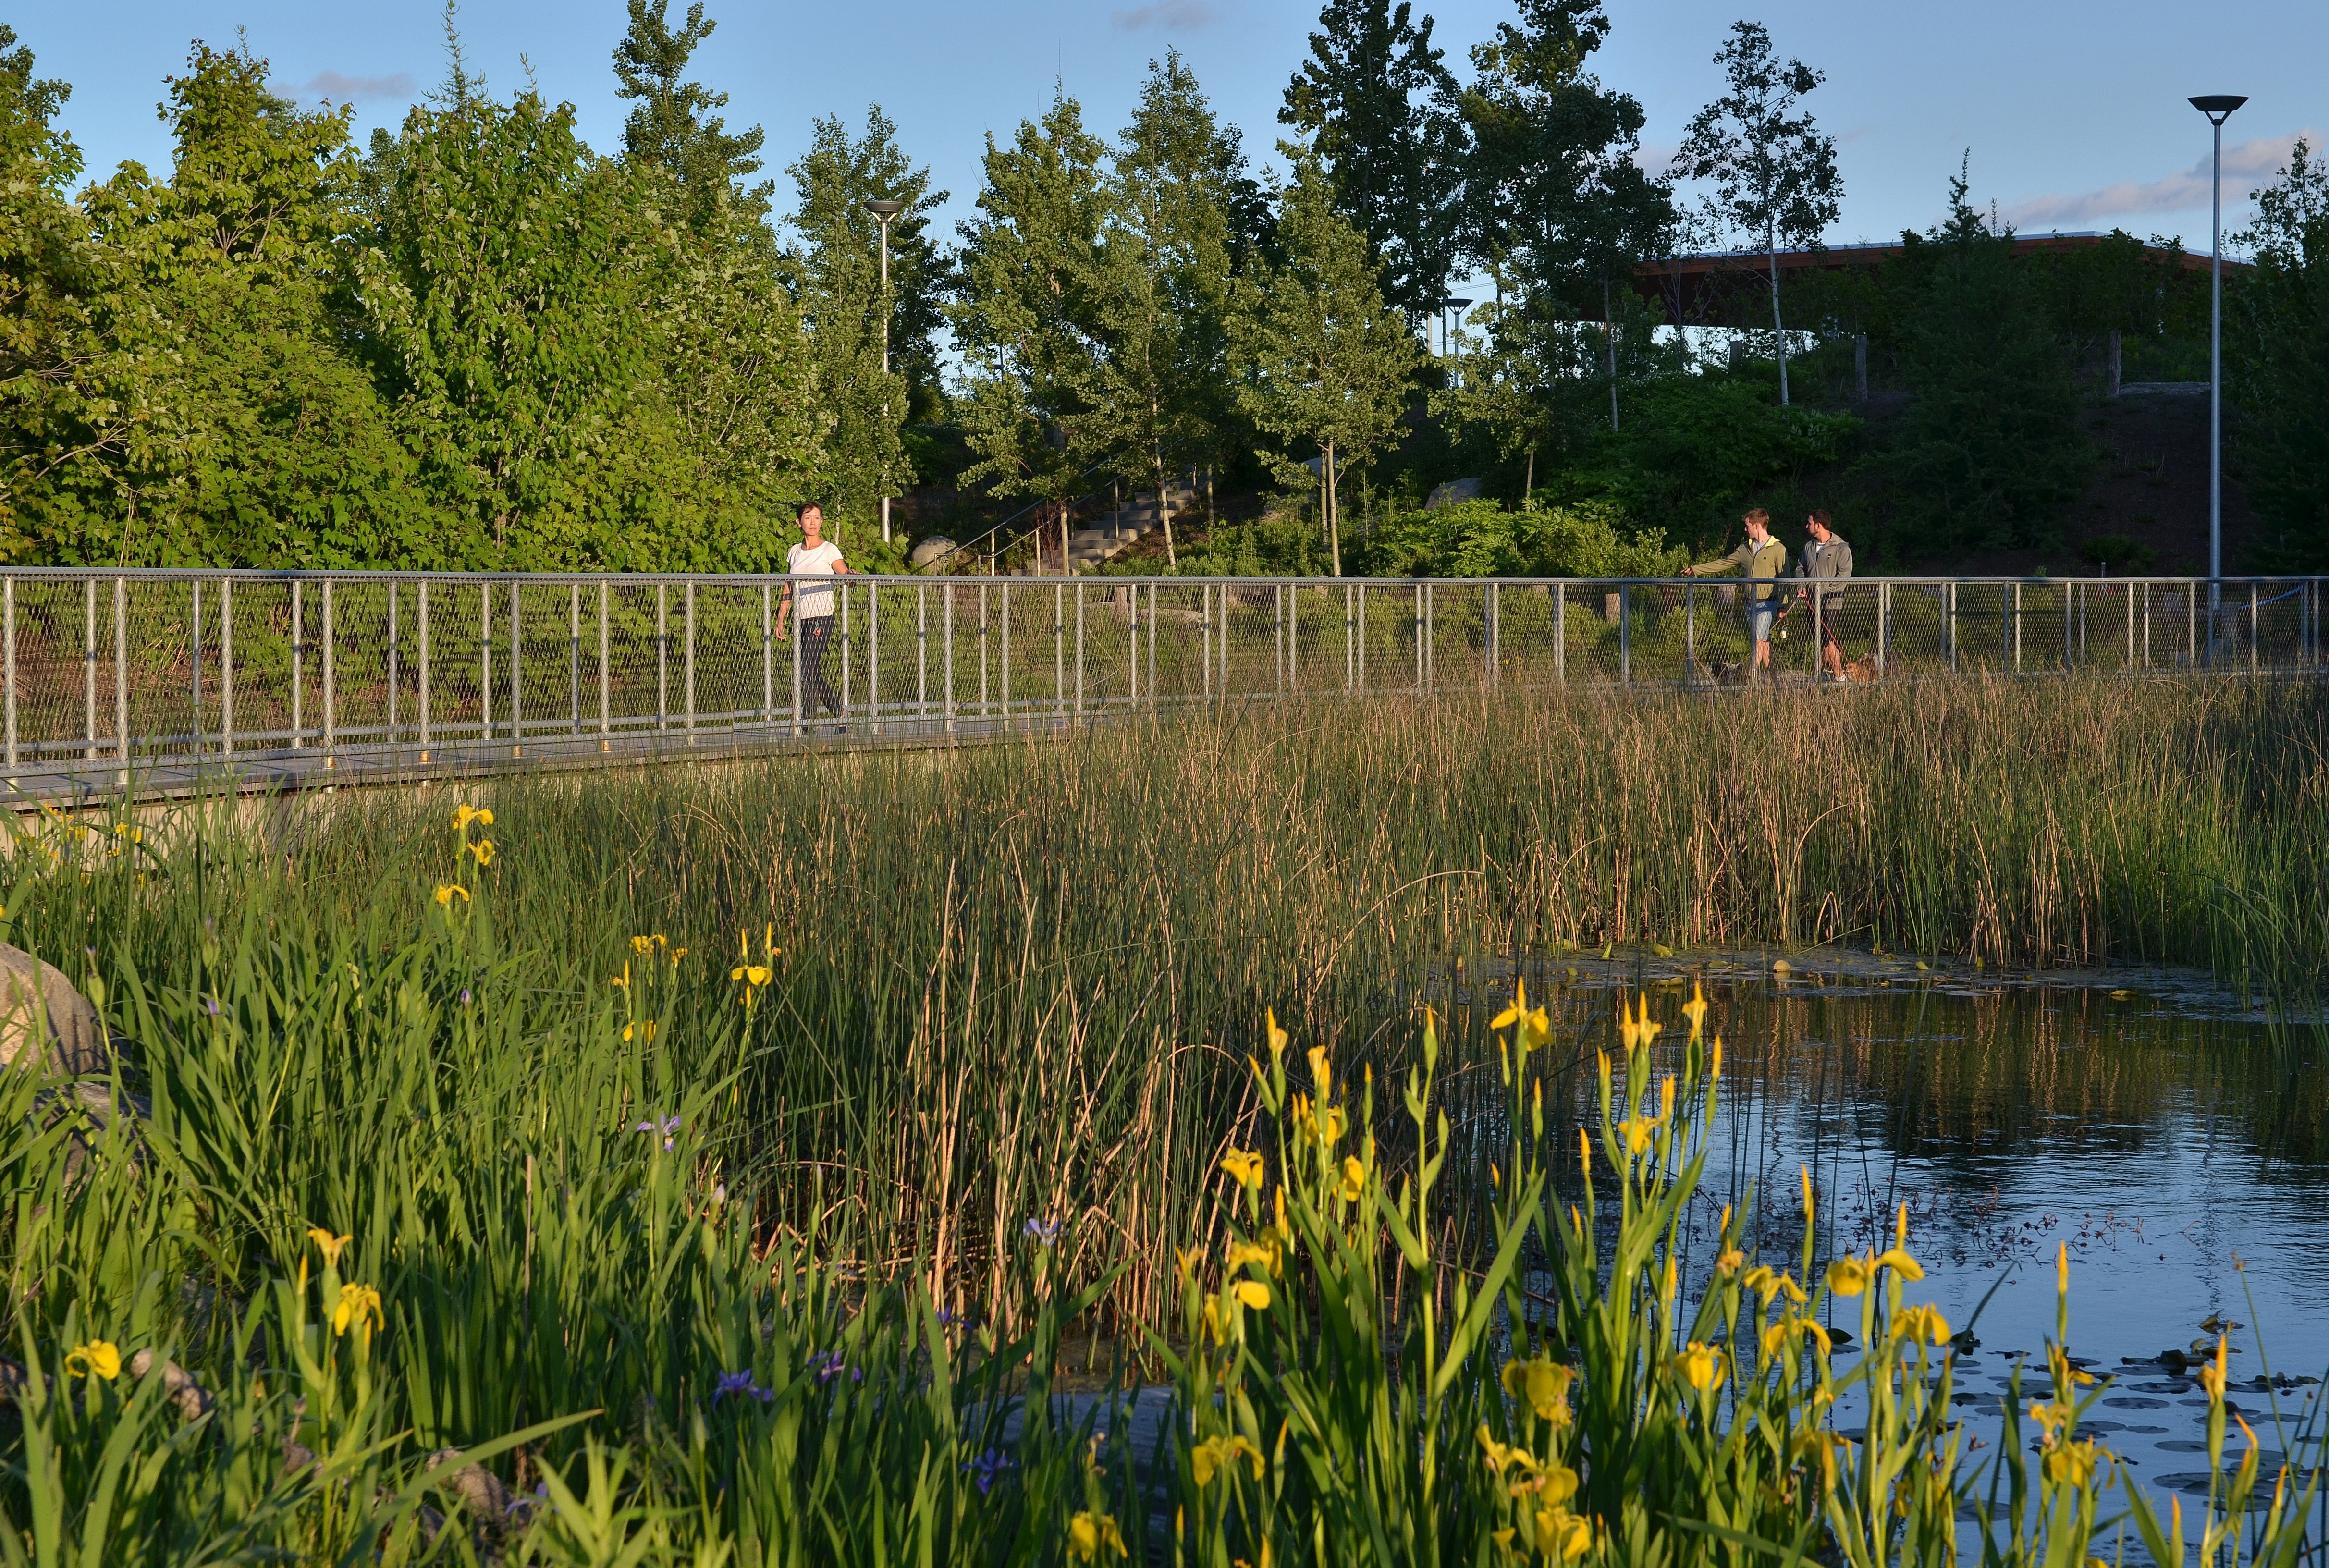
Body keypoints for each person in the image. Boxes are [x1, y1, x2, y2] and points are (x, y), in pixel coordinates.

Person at [1685, 509, 1788, 679]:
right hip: (1749, 604)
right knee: (1763, 644)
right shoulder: (1744, 549)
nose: (1745, 530)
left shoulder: (1777, 549)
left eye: (1747, 526)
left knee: (1757, 642)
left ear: (1756, 525)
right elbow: (1724, 563)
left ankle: (1749, 678)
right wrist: (1696, 570)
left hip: (1767, 603)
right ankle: (1775, 683)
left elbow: (1785, 579)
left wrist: (1783, 606)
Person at [775, 502, 850, 728]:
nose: (813, 523)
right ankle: (836, 715)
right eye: (808, 518)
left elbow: (844, 573)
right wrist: (781, 617)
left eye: (817, 518)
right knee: (806, 670)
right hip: (801, 618)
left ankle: (809, 723)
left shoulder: (829, 550)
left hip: (822, 616)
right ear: (799, 523)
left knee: (806, 669)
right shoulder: (794, 552)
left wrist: (851, 576)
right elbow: (789, 585)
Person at [1793, 509, 1855, 681]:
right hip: (1812, 602)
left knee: (1827, 640)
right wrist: (1802, 585)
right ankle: (1827, 676)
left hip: (1831, 602)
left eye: (1809, 523)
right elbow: (1800, 568)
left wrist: (1823, 589)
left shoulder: (1841, 548)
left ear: (1818, 525)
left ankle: (1835, 676)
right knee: (1821, 641)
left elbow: (1844, 576)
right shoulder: (1808, 547)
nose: (1807, 526)